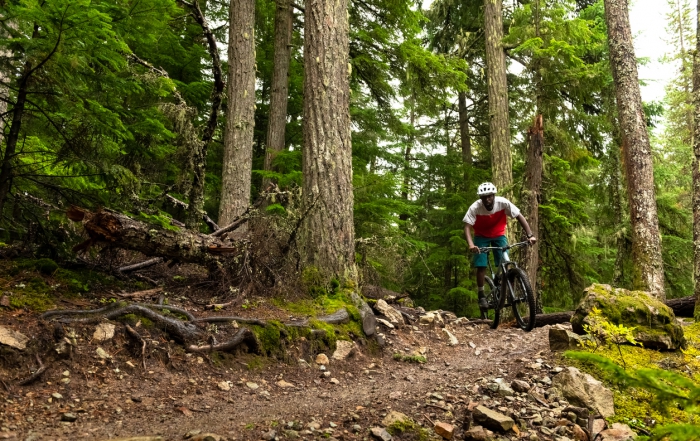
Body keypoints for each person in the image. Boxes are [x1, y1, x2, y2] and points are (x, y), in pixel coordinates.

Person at [462, 182, 537, 311]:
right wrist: (471, 244)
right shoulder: (475, 208)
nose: (487, 199)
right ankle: (481, 295)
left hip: (498, 235)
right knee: (481, 265)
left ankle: (508, 291)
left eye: (490, 196)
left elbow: (519, 216)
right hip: (481, 237)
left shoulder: (503, 203)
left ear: (494, 195)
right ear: (480, 198)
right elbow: (467, 227)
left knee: (506, 261)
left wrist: (530, 235)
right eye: (484, 197)